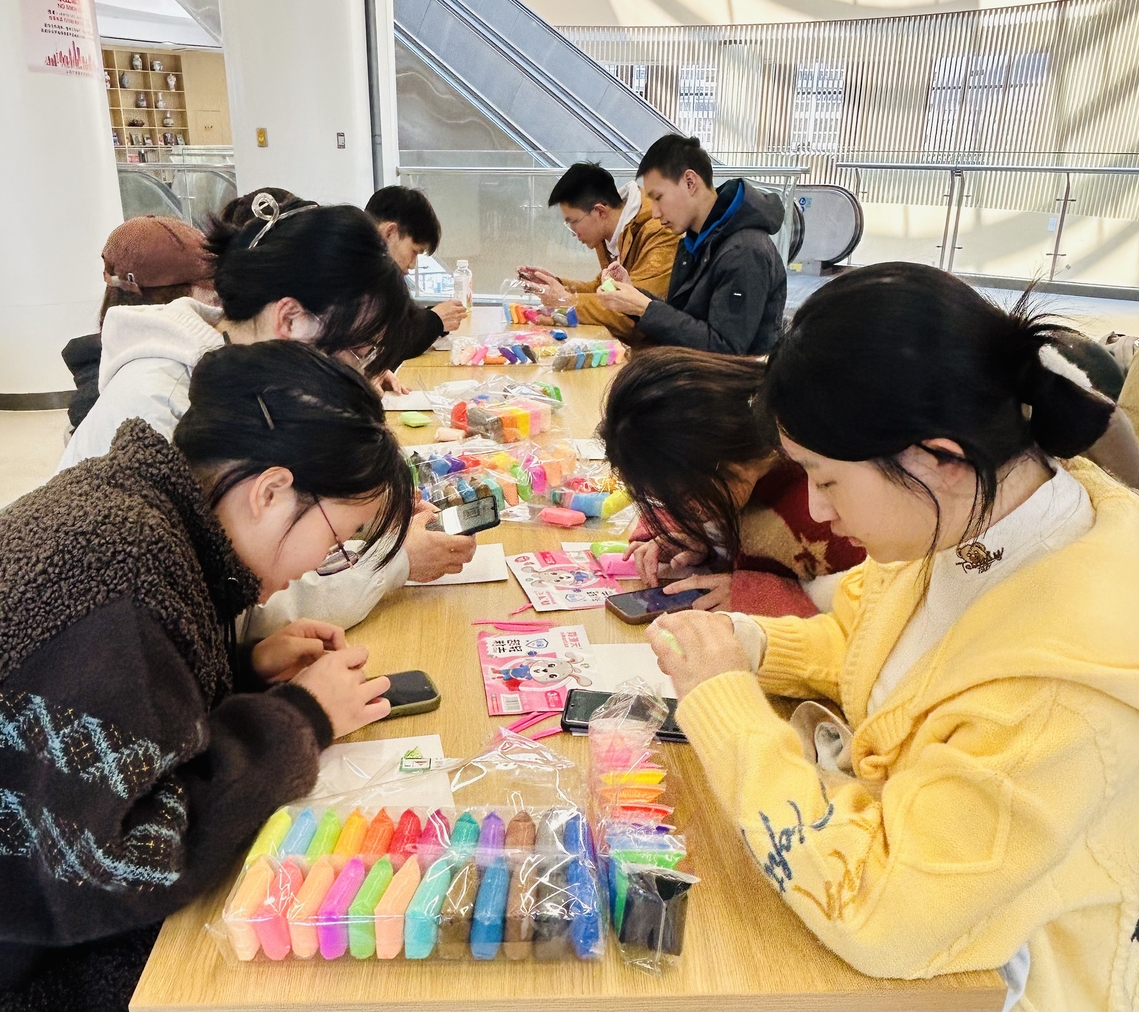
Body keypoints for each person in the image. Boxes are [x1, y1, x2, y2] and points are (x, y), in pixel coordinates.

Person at [644, 263, 1139, 1012]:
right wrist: (751, 644)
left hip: (987, 989)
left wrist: (724, 705)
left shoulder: (1062, 689)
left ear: (935, 457)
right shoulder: (972, 520)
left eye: (825, 479)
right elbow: (872, 644)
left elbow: (878, 911)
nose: (817, 508)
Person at [0, 341, 414, 1011]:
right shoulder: (125, 579)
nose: (318, 566)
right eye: (338, 540)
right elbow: (119, 860)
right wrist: (300, 719)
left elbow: (119, 722)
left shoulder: (129, 504)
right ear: (270, 492)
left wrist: (243, 671)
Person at [55, 193, 476, 634]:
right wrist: (394, 562)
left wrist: (355, 509)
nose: (356, 374)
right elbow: (240, 605)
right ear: (289, 319)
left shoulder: (242, 374)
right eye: (356, 350)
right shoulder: (168, 408)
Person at [598, 347, 864, 617]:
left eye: (683, 499)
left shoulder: (825, 506)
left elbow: (866, 607)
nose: (684, 512)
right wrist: (689, 536)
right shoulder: (728, 425)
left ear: (723, 463)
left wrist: (762, 596)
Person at [595, 134, 787, 355]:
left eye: (658, 198)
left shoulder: (744, 251)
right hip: (688, 369)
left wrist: (645, 308)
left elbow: (725, 350)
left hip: (721, 376)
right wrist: (633, 295)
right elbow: (684, 319)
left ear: (690, 182)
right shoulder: (698, 241)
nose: (655, 213)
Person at [61, 215, 215, 433]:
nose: (218, 303)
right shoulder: (158, 398)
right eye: (210, 290)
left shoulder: (102, 380)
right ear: (173, 299)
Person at [515, 162, 678, 341]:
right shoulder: (613, 233)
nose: (573, 233)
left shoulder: (659, 233)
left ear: (600, 211)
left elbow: (635, 313)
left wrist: (566, 301)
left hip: (660, 350)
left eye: (573, 222)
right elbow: (601, 289)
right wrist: (557, 285)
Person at [364, 186, 466, 385]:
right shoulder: (356, 273)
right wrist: (435, 320)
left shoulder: (380, 274)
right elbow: (392, 340)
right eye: (415, 251)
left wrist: (433, 317)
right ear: (390, 233)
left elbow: (396, 325)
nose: (412, 265)